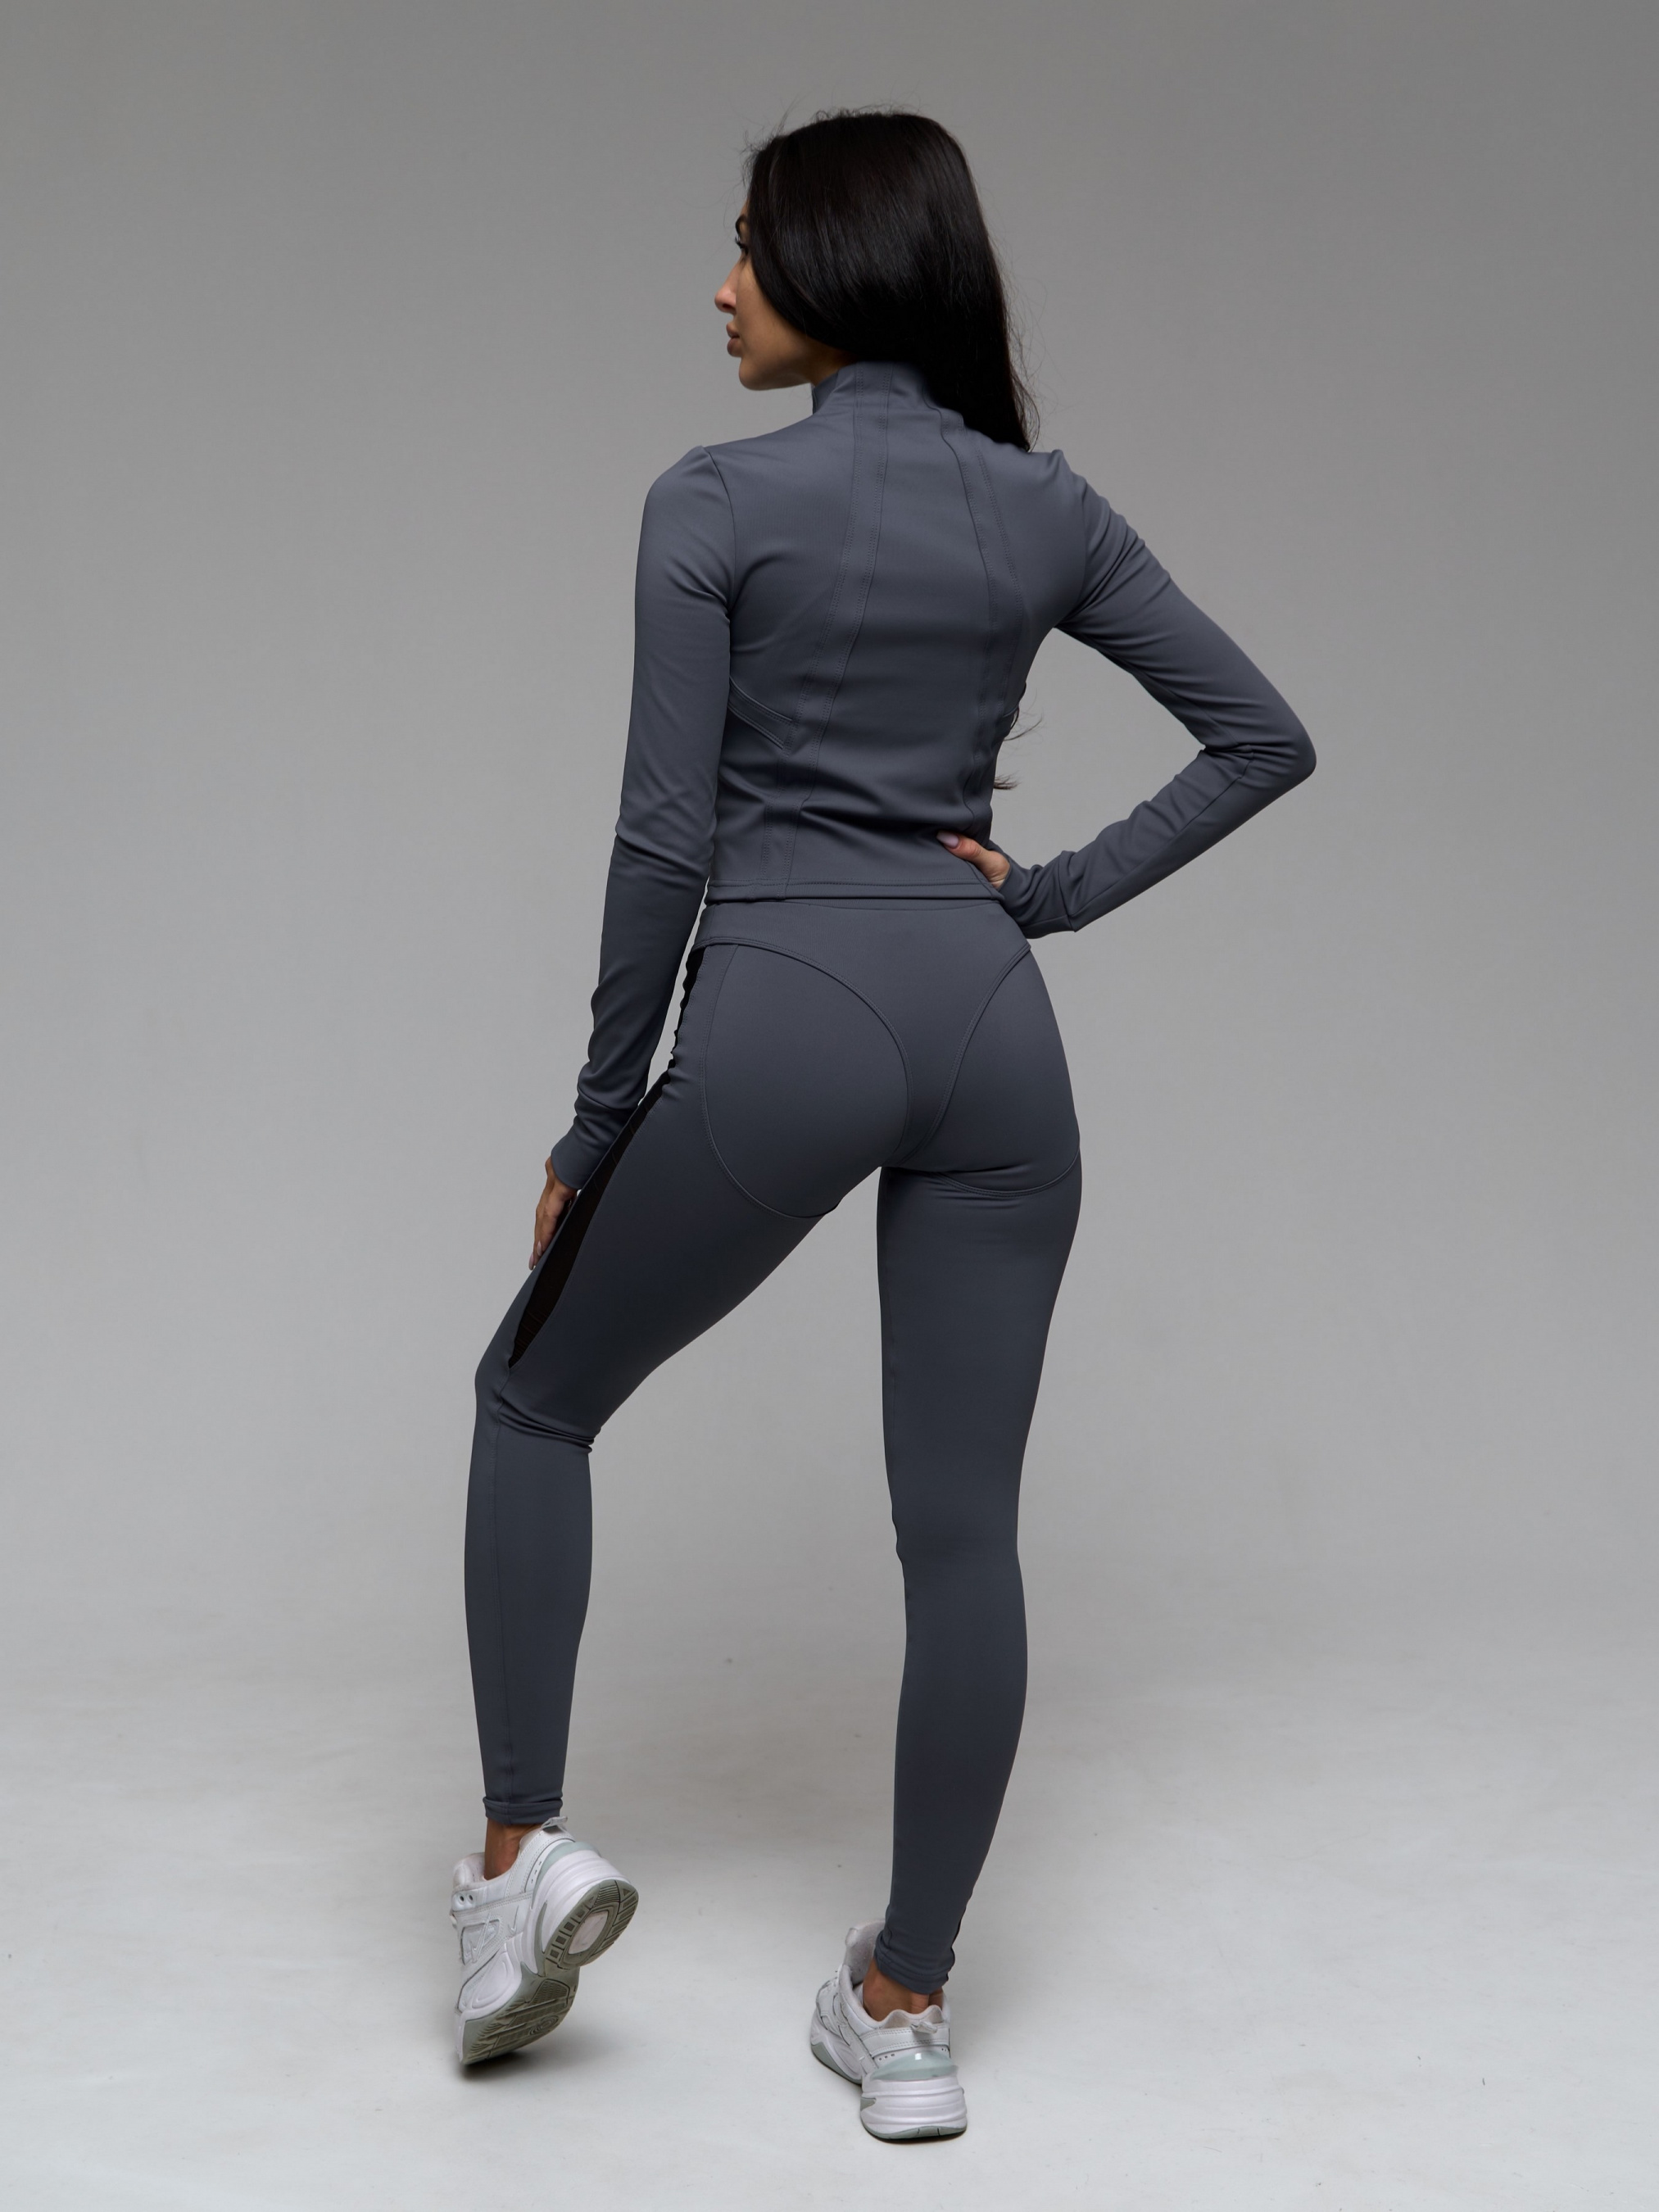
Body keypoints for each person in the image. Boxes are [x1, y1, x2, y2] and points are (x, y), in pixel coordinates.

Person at [447, 107, 1314, 2138]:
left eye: (746, 248)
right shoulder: (1043, 506)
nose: (721, 285)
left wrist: (596, 1121)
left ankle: (512, 1874)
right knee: (962, 1536)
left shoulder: (709, 500)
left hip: (788, 1014)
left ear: (832, 268)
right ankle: (905, 2010)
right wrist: (1043, 897)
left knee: (531, 1400)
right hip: (991, 1032)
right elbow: (1260, 736)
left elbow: (661, 844)